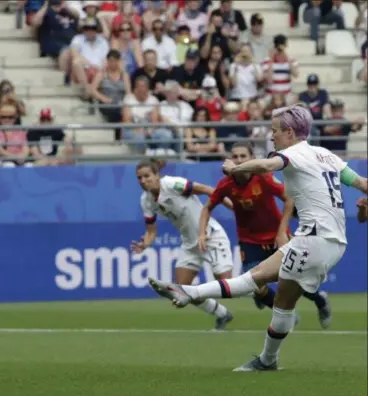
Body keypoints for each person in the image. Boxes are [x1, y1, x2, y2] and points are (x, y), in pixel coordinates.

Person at [148, 104, 368, 371]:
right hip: (324, 241)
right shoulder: (326, 155)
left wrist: (234, 167)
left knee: (254, 280)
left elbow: (266, 164)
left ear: (289, 131)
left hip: (314, 241)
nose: (271, 136)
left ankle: (188, 292)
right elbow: (364, 184)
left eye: (274, 131)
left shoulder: (293, 153)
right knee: (281, 302)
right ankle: (267, 360)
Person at [198, 141, 332, 327]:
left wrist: (281, 232)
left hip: (277, 237)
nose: (238, 160)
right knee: (255, 284)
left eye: (243, 156)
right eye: (235, 156)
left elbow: (288, 199)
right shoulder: (226, 184)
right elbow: (207, 208)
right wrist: (202, 234)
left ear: (251, 159)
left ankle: (320, 300)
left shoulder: (264, 178)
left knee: (294, 279)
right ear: (229, 160)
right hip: (249, 240)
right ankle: (288, 316)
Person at [132, 159, 234, 330]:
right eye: (139, 178)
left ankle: (263, 294)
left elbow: (209, 190)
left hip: (211, 236)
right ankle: (222, 314)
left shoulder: (172, 184)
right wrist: (145, 244)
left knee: (229, 285)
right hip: (190, 244)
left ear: (157, 176)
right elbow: (151, 231)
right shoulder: (146, 201)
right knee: (182, 290)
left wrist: (234, 207)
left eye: (147, 176)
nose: (143, 181)